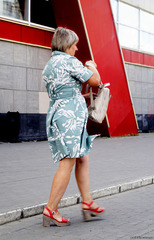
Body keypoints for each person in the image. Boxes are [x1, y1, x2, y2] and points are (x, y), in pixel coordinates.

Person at [42, 27, 105, 227]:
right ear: (67, 45)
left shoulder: (50, 64)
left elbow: (65, 91)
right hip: (70, 118)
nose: (77, 49)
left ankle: (87, 202)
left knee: (82, 157)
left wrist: (80, 96)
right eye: (75, 45)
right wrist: (91, 66)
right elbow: (95, 81)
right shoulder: (69, 61)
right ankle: (50, 209)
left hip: (59, 115)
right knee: (67, 162)